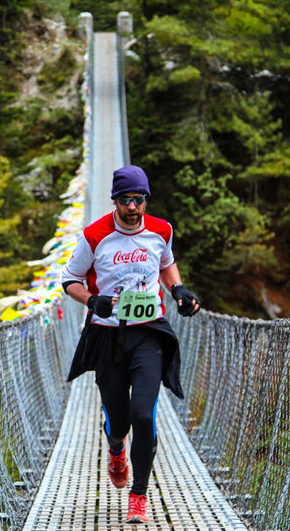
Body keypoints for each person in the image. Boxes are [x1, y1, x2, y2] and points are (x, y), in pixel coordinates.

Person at [61, 164, 200, 524]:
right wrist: (92, 301)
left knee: (144, 412)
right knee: (119, 420)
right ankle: (116, 449)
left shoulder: (161, 230)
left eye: (139, 200)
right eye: (126, 201)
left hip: (149, 332)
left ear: (145, 200)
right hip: (108, 335)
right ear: (115, 201)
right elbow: (70, 280)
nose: (133, 208)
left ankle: (139, 495)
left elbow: (167, 264)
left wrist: (179, 290)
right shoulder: (94, 236)